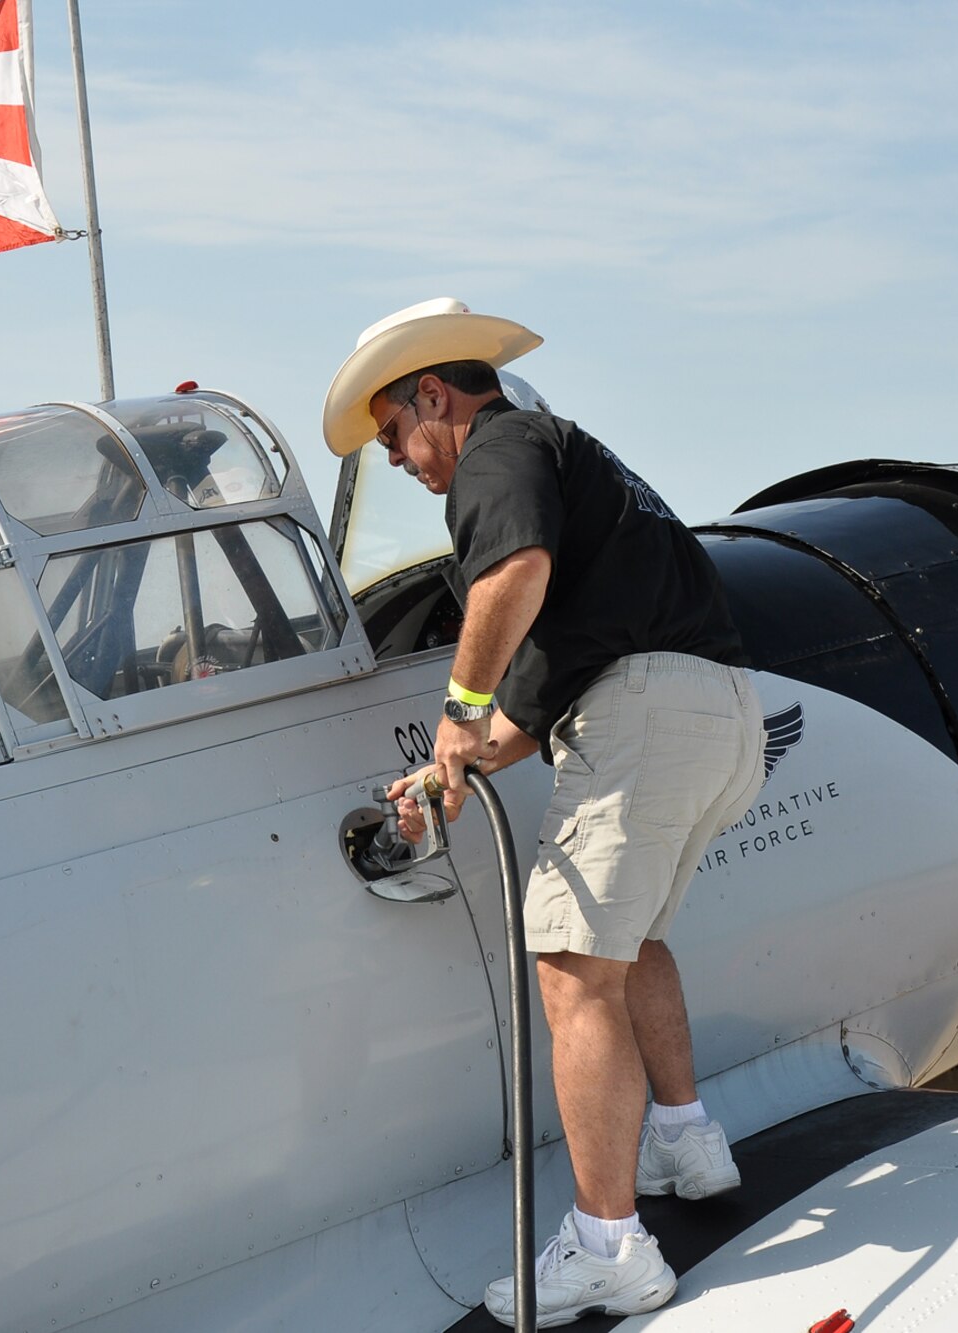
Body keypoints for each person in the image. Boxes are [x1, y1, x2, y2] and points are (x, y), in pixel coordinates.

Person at [323, 298, 767, 1328]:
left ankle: (609, 1248)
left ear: (432, 394)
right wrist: (455, 768)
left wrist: (453, 712)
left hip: (646, 717)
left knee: (568, 970)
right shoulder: (582, 467)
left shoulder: (502, 444)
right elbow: (541, 691)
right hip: (715, 711)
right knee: (628, 940)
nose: (394, 457)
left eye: (392, 431)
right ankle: (683, 1140)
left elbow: (510, 575)